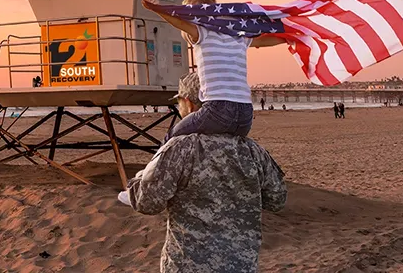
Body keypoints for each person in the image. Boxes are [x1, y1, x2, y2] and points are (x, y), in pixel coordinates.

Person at [120, 72, 287, 273]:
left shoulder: (180, 148)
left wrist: (138, 180)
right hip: (241, 265)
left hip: (189, 266)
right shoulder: (252, 150)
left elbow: (147, 202)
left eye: (179, 103)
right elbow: (277, 200)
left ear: (189, 104)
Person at [142, 0, 285, 144]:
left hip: (218, 110)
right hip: (245, 116)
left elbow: (179, 23)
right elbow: (265, 41)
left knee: (171, 138)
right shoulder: (238, 34)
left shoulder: (202, 32)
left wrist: (157, 9)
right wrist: (291, 37)